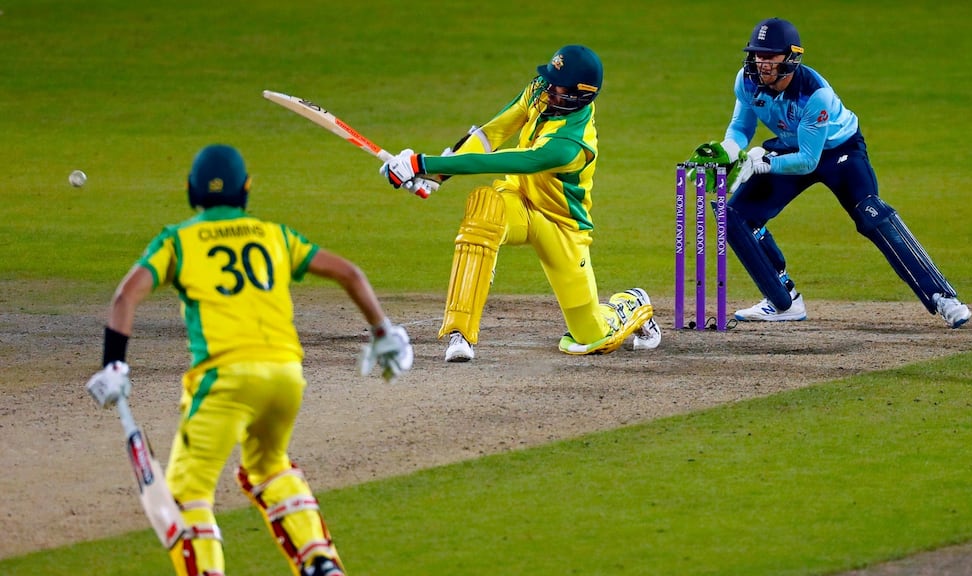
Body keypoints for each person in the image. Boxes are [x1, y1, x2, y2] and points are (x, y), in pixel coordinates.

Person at [85, 144, 413, 576]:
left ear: (190, 191)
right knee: (268, 466)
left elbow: (126, 295)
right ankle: (321, 562)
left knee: (188, 495)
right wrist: (383, 331)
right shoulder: (273, 234)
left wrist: (115, 365)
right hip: (286, 378)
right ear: (247, 190)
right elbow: (349, 273)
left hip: (223, 381)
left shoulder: (178, 240)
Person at [380, 44, 662, 362]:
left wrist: (423, 164)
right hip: (518, 201)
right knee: (483, 209)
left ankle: (630, 304)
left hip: (562, 225)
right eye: (550, 81)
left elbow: (510, 160)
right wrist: (438, 175)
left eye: (560, 88)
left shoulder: (570, 145)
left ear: (581, 96)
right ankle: (460, 333)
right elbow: (491, 134)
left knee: (592, 339)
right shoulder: (540, 90)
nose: (550, 90)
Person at [687, 17, 972, 328]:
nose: (762, 63)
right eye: (758, 54)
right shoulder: (746, 80)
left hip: (840, 151)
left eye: (770, 56)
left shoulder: (814, 94)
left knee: (870, 213)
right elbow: (742, 127)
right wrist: (730, 150)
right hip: (789, 147)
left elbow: (809, 160)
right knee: (735, 215)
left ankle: (943, 297)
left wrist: (760, 163)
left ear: (791, 58)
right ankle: (783, 300)